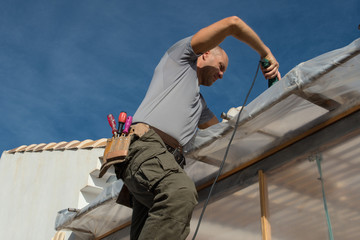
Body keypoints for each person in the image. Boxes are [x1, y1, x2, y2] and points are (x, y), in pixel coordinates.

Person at [116, 16, 280, 240]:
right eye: (221, 67)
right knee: (179, 194)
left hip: (162, 162)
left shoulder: (198, 104)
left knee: (153, 225)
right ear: (205, 55)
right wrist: (265, 52)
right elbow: (233, 23)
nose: (222, 75)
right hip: (148, 148)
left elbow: (221, 131)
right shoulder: (179, 60)